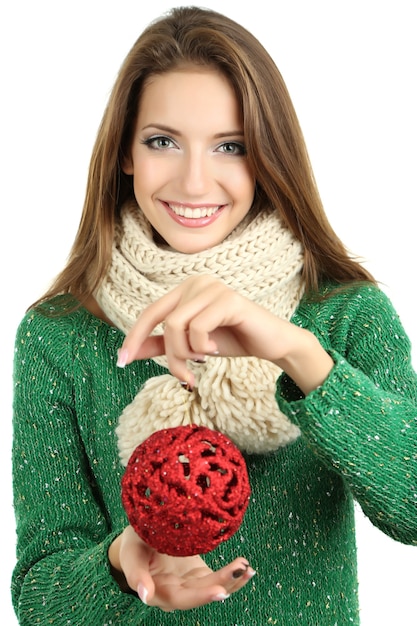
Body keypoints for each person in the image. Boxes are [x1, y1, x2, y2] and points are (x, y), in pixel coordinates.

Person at [11, 5, 417, 625]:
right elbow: (40, 597)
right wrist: (123, 560)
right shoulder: (59, 335)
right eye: (163, 142)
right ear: (124, 152)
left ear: (267, 158)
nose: (195, 181)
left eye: (231, 146)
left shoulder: (344, 315)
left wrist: (297, 353)